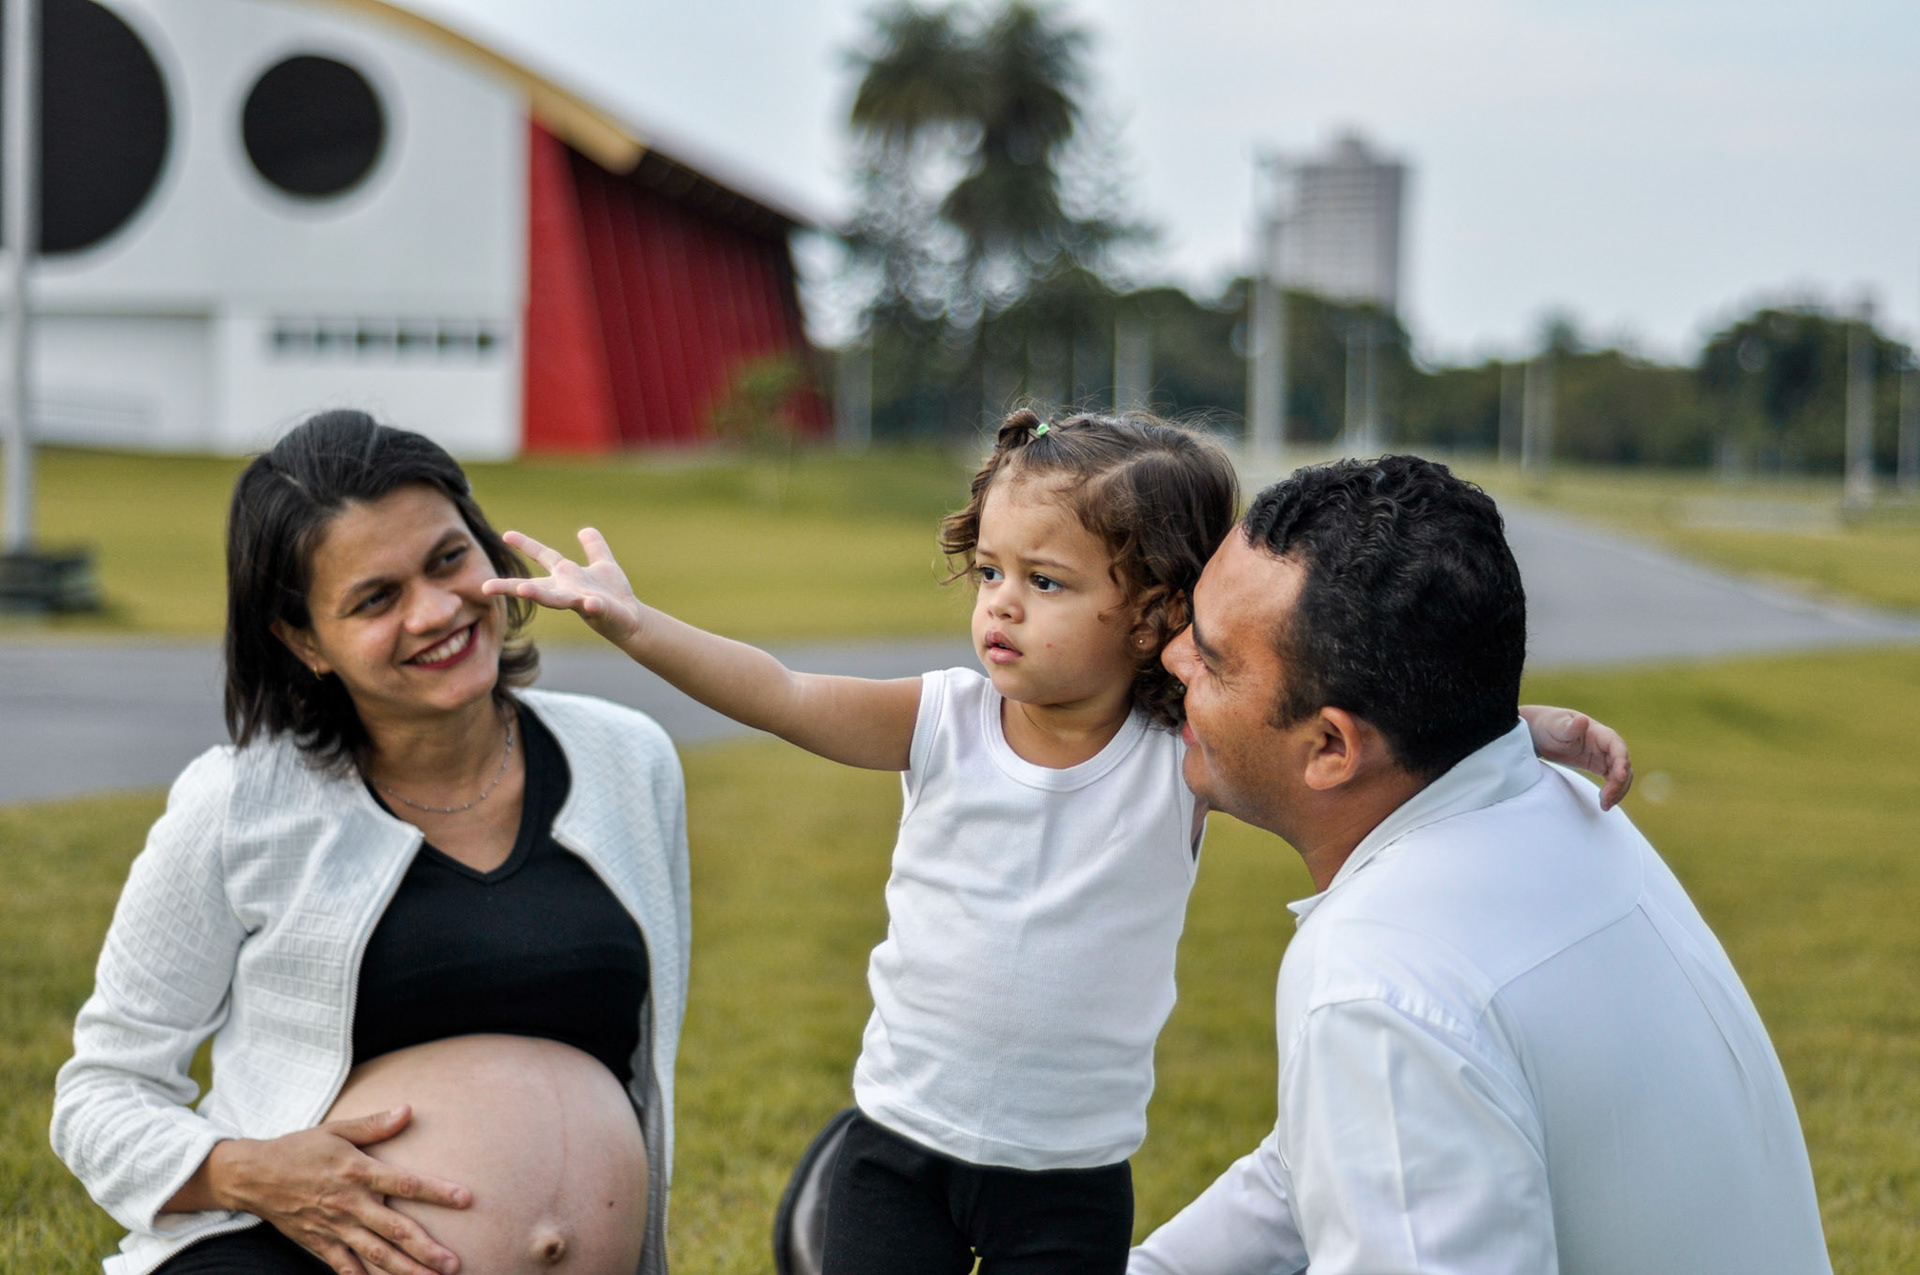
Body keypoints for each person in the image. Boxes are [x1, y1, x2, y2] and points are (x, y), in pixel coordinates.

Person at [485, 410, 1628, 1275]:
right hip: (899, 1146)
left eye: (1045, 582)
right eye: (990, 571)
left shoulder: (1179, 759)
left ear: (1155, 613)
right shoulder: (942, 720)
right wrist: (634, 622)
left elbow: (1353, 736)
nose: (999, 605)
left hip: (1070, 1177)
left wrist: (1522, 730)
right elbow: (780, 692)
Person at [1132, 455, 1831, 1275]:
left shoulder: (1377, 976)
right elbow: (1338, 1164)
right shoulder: (1559, 807)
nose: (1172, 656)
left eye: (1212, 657)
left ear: (1330, 747)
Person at [52, 412, 690, 1275]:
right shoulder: (240, 803)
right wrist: (252, 1173)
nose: (437, 610)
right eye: (376, 598)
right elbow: (101, 1092)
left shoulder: (628, 758)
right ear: (303, 641)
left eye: (448, 558)